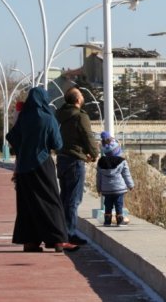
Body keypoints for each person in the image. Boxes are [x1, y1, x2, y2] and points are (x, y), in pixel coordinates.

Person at [5, 87, 79, 253]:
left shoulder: (23, 118)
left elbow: (11, 138)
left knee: (27, 204)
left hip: (24, 166)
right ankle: (58, 240)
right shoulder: (47, 118)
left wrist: (24, 148)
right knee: (51, 200)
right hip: (42, 164)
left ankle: (30, 242)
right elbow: (57, 144)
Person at [55, 87, 98, 245]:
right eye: (81, 95)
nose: (83, 97)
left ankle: (60, 230)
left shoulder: (59, 115)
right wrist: (94, 153)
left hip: (61, 159)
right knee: (74, 199)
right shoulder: (80, 116)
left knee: (64, 197)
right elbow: (87, 136)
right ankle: (69, 233)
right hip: (75, 160)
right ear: (78, 100)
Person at [96, 132, 134, 226]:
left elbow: (98, 176)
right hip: (118, 189)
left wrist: (98, 188)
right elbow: (126, 174)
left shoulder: (101, 162)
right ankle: (119, 221)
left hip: (106, 190)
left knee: (107, 205)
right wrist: (130, 185)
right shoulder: (122, 161)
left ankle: (107, 221)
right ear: (117, 151)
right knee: (119, 205)